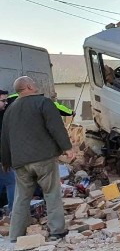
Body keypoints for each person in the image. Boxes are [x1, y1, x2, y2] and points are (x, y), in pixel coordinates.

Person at [0, 76, 72, 242]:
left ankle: (15, 235)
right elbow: (56, 127)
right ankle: (57, 231)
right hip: (43, 158)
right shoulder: (43, 103)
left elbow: (4, 138)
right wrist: (67, 148)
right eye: (34, 83)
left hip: (20, 163)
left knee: (21, 198)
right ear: (29, 87)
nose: (36, 85)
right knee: (51, 193)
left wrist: (5, 162)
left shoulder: (10, 110)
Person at [0, 90, 14, 214]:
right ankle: (13, 212)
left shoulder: (4, 114)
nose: (6, 103)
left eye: (7, 100)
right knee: (11, 182)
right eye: (3, 101)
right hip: (3, 158)